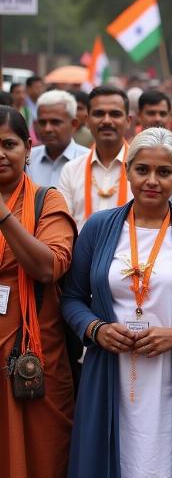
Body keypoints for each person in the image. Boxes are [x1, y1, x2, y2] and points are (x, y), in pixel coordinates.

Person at [61, 127, 172, 478]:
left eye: (164, 172)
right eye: (143, 170)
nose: (152, 180)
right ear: (128, 171)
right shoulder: (98, 228)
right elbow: (73, 298)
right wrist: (96, 329)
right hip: (110, 370)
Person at [0, 106, 77, 478]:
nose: (0, 153)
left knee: (42, 457)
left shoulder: (47, 201)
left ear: (27, 148)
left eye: (8, 144)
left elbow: (49, 267)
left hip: (32, 353)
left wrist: (3, 215)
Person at [58, 85, 133, 231]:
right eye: (99, 114)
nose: (106, 121)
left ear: (128, 121)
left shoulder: (144, 171)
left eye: (115, 114)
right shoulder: (71, 169)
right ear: (87, 120)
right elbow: (62, 225)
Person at [28, 90, 89, 187]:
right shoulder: (27, 160)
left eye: (55, 122)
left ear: (74, 124)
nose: (47, 129)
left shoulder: (88, 161)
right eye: (42, 123)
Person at [136, 90, 172, 169]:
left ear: (169, 116)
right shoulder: (130, 146)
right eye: (151, 113)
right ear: (139, 115)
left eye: (163, 114)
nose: (158, 119)